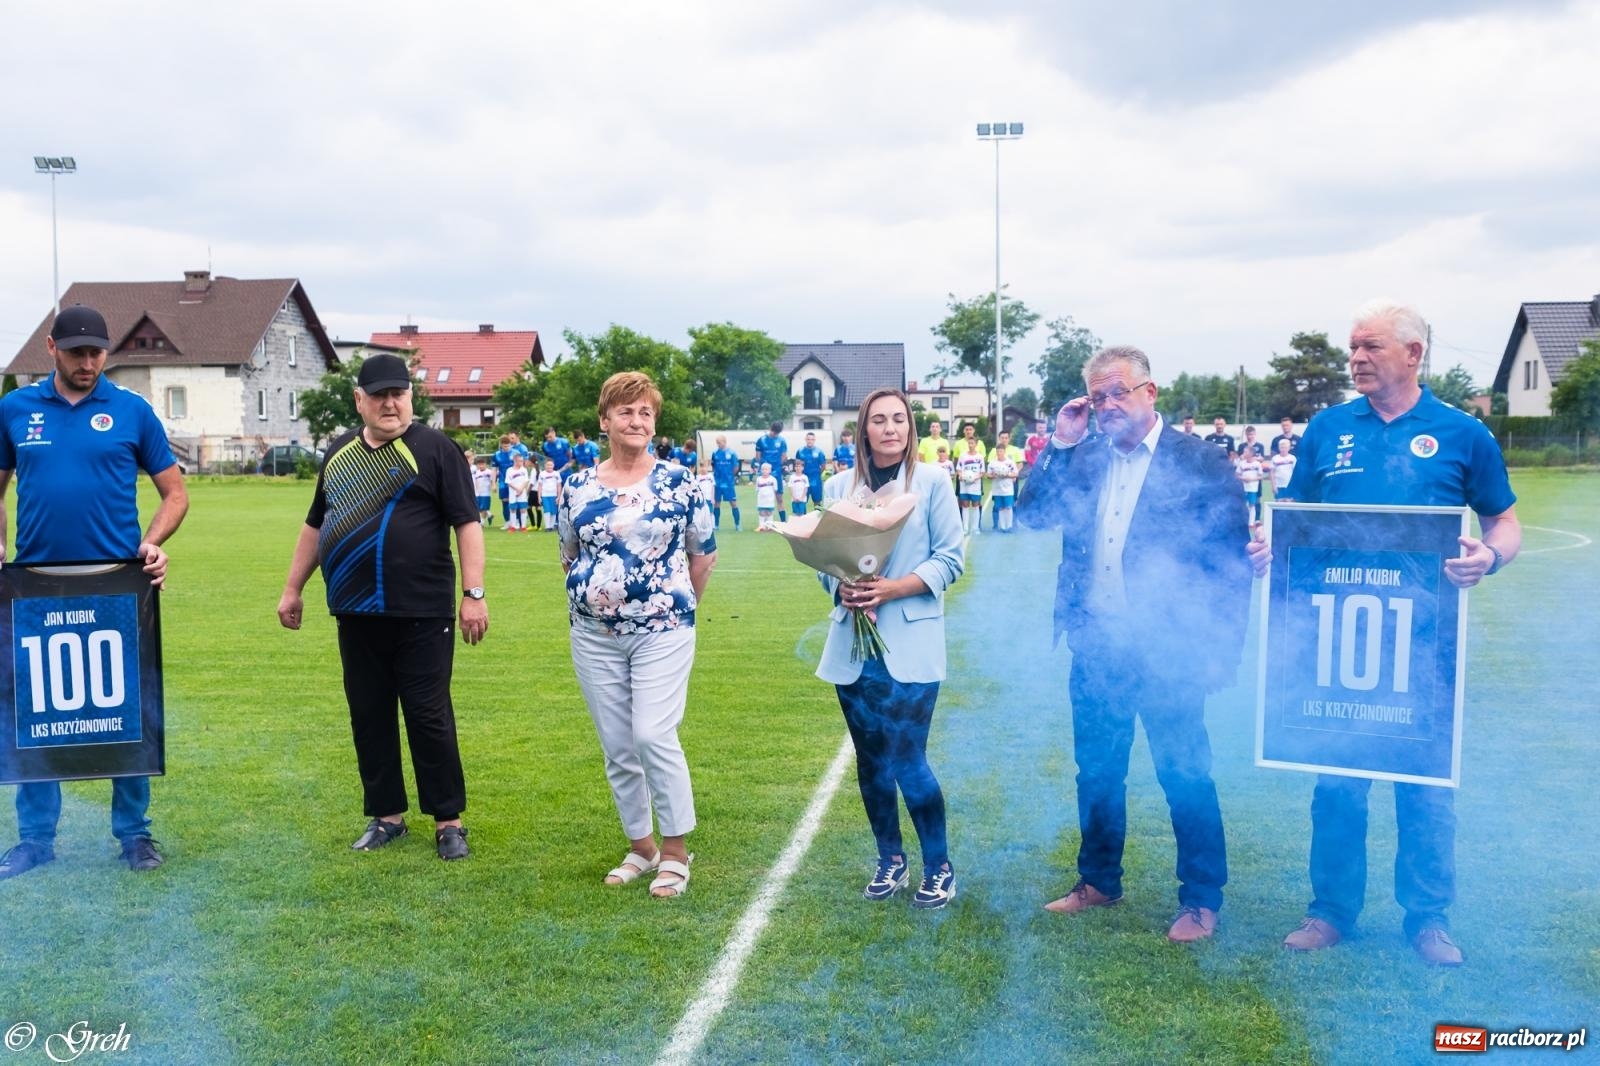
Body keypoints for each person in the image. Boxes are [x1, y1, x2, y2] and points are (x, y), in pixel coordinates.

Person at [1249, 300, 1521, 968]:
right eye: (1351, 349)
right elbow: (1294, 517)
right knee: (1337, 782)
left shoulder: (1462, 434)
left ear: (1413, 354)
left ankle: (1428, 920)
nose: (1357, 360)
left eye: (1370, 347)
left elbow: (1504, 523)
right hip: (1338, 639)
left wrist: (1487, 556)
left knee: (1426, 786)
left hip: (1426, 645)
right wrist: (1267, 541)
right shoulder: (1328, 430)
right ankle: (1330, 912)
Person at [1018, 345, 1252, 943]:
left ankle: (1201, 897)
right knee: (1096, 771)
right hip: (1096, 645)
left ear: (1151, 392)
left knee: (1185, 772)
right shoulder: (1085, 456)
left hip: (1172, 649)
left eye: (1119, 392)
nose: (1107, 406)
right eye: (1097, 397)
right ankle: (1098, 879)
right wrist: (1061, 443)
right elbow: (1031, 515)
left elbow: (1231, 566)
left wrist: (1219, 652)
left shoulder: (1201, 462)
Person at [0, 305, 190, 879]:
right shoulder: (15, 408)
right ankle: (35, 840)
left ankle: (134, 835)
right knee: (35, 715)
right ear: (51, 348)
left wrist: (152, 544)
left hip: (116, 587)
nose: (88, 362)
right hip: (32, 588)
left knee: (125, 712)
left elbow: (175, 495)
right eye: (77, 351)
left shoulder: (132, 411)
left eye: (97, 352)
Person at [277, 352, 486, 861]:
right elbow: (315, 524)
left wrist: (473, 594)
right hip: (355, 609)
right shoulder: (339, 453)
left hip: (423, 610)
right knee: (369, 714)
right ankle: (387, 816)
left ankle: (448, 822)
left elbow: (467, 524)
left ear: (410, 397)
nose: (390, 403)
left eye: (398, 393)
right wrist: (292, 588)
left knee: (428, 715)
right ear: (360, 400)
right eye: (379, 395)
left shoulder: (437, 450)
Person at [560, 371, 716, 898]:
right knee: (619, 746)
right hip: (594, 636)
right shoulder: (576, 485)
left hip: (663, 631)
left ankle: (676, 850)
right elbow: (569, 555)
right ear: (605, 421)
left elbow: (704, 554)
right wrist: (598, 599)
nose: (636, 420)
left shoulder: (679, 482)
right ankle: (642, 846)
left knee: (653, 734)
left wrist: (670, 605)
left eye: (646, 412)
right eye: (626, 411)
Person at [817, 387, 964, 908]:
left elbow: (951, 559)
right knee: (870, 760)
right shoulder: (839, 484)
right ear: (863, 429)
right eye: (878, 420)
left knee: (908, 758)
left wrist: (891, 588)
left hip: (913, 644)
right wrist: (843, 587)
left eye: (898, 419)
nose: (889, 428)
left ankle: (939, 866)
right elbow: (824, 561)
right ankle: (890, 859)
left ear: (910, 427)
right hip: (855, 647)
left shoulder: (932, 482)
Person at [987, 430, 1024, 529]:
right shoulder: (993, 451)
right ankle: (996, 525)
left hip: (1012, 481)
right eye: (1002, 438)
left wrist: (1013, 475)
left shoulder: (1015, 450)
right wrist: (997, 474)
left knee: (1012, 502)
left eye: (1006, 438)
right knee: (997, 504)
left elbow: (1020, 464)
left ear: (1009, 438)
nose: (1004, 440)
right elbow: (991, 467)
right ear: (999, 438)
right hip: (998, 483)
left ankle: (1012, 524)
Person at [752, 423, 789, 521]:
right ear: (770, 429)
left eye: (776, 433)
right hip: (764, 472)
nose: (774, 434)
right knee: (764, 497)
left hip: (776, 472)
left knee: (779, 498)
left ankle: (783, 521)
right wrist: (763, 468)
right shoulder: (761, 440)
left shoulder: (781, 441)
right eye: (773, 432)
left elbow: (784, 456)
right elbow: (758, 456)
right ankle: (764, 523)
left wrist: (777, 467)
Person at [954, 435, 986, 535]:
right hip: (964, 486)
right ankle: (965, 528)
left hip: (975, 486)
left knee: (976, 505)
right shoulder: (963, 455)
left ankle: (975, 528)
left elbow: (982, 472)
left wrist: (974, 478)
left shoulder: (980, 457)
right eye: (969, 443)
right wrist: (962, 476)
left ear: (976, 444)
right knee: (965, 505)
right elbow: (958, 469)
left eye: (972, 443)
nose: (970, 445)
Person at [710, 435, 741, 531]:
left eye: (719, 443)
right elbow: (713, 466)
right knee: (716, 504)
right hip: (718, 483)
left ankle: (737, 524)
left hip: (728, 483)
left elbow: (736, 467)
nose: (718, 445)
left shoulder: (732, 453)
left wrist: (729, 476)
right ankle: (716, 525)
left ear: (724, 442)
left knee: (733, 503)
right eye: (717, 443)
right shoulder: (715, 453)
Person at [795, 431, 827, 508]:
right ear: (805, 439)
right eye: (808, 439)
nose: (810, 441)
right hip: (803, 479)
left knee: (817, 501)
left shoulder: (819, 452)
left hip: (815, 480)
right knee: (802, 501)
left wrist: (817, 473)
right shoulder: (800, 451)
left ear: (814, 440)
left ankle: (818, 518)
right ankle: (803, 518)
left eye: (812, 439)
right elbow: (797, 464)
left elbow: (823, 466)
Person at [492, 433, 517, 523]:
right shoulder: (496, 455)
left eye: (508, 446)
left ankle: (517, 521)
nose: (506, 448)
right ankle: (507, 521)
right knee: (505, 501)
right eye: (504, 446)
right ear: (501, 445)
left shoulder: (515, 453)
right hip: (503, 481)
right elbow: (494, 469)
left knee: (515, 500)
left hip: (514, 481)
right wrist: (494, 483)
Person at [1236, 447, 1266, 522]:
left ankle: (1251, 522)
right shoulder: (1242, 463)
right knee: (1243, 504)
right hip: (1243, 488)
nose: (1243, 454)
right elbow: (1237, 475)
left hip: (1253, 488)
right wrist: (1243, 478)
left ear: (1251, 454)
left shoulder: (1257, 464)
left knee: (1252, 504)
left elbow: (1261, 476)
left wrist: (1251, 479)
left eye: (1245, 452)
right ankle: (1243, 520)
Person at [505, 453, 532, 532]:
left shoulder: (524, 470)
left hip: (522, 493)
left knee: (523, 509)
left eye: (522, 461)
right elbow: (508, 482)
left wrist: (521, 489)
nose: (521, 462)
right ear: (515, 461)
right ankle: (513, 526)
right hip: (513, 493)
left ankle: (523, 526)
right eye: (520, 461)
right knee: (513, 509)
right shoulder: (509, 470)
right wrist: (516, 489)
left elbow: (526, 481)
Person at [536, 459, 562, 531]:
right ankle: (547, 526)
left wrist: (559, 496)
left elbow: (559, 485)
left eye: (550, 465)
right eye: (547, 465)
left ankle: (551, 526)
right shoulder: (542, 474)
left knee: (553, 511)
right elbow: (540, 486)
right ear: (545, 465)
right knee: (547, 510)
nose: (549, 466)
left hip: (554, 495)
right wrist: (539, 497)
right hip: (545, 495)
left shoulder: (556, 474)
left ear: (553, 465)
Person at [754, 462, 779, 530]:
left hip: (770, 499)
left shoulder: (773, 479)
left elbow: (775, 490)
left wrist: (774, 499)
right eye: (763, 469)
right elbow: (757, 489)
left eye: (766, 469)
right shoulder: (759, 479)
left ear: (770, 470)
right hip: (761, 500)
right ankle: (762, 526)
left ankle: (770, 526)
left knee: (769, 512)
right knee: (762, 512)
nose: (765, 471)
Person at [472, 456, 496, 526]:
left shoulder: (489, 472)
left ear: (486, 464)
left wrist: (493, 486)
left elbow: (492, 480)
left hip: (486, 493)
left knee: (483, 508)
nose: (481, 466)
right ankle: (489, 515)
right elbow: (475, 482)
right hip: (478, 493)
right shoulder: (476, 473)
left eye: (482, 464)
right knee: (479, 508)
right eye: (479, 464)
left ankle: (482, 522)